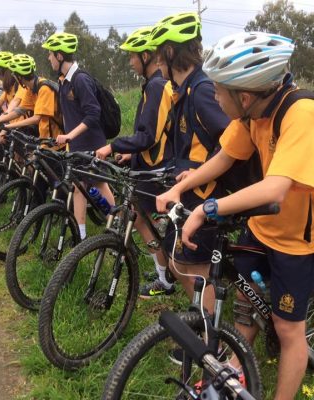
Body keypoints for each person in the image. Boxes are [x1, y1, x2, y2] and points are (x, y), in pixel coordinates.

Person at [157, 31, 314, 400]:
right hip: (261, 226)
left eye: (219, 91)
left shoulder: (301, 113)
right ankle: (234, 376)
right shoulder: (253, 113)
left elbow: (275, 187)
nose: (213, 96)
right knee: (246, 311)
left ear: (243, 96)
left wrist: (207, 209)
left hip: (297, 241)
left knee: (288, 329)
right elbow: (224, 157)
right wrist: (180, 189)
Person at [143, 12, 230, 304]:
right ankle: (202, 322)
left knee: (197, 268)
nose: (156, 63)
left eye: (157, 56)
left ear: (169, 52)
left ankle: (211, 343)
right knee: (176, 258)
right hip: (189, 188)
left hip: (206, 192)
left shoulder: (202, 90)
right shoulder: (183, 90)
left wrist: (199, 171)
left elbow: (232, 142)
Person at [95, 27, 175, 297]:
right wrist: (132, 153)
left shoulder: (157, 85)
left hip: (159, 168)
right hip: (148, 163)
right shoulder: (151, 85)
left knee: (150, 220)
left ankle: (167, 278)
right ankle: (164, 271)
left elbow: (150, 135)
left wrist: (113, 146)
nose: (130, 62)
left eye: (132, 56)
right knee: (141, 218)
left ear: (146, 54)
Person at [42, 32, 115, 240]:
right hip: (76, 145)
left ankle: (120, 222)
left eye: (50, 54)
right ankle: (81, 235)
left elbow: (93, 114)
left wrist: (69, 136)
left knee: (99, 183)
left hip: (92, 143)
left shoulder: (80, 79)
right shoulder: (64, 81)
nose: (48, 58)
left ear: (59, 55)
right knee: (78, 187)